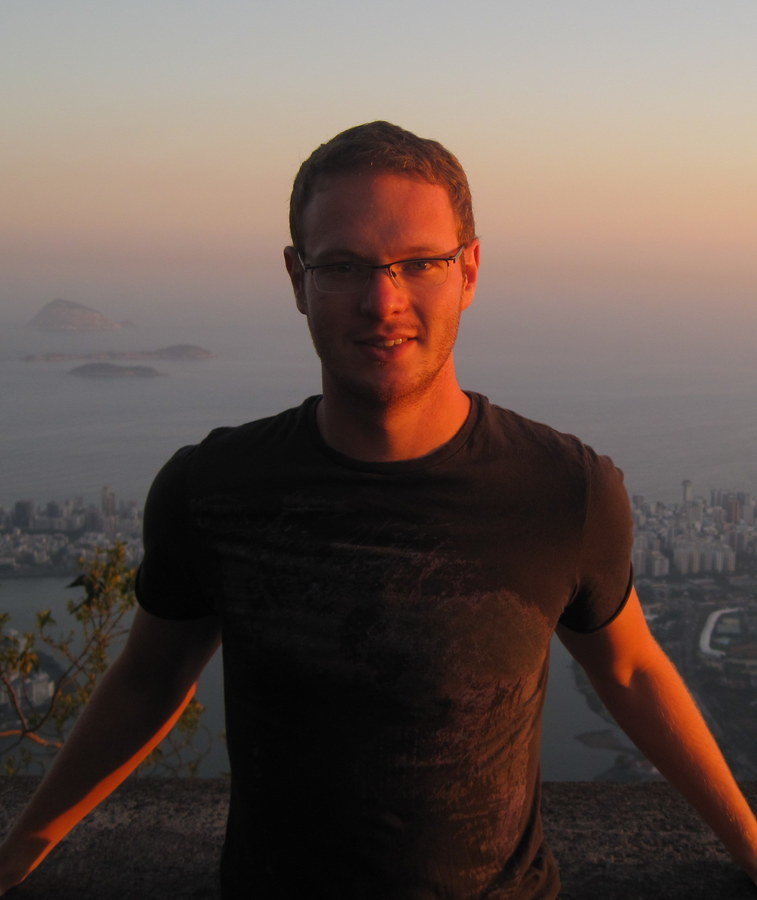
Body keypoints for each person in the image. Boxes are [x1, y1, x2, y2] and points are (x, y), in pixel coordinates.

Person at [1, 121, 755, 898]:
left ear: (468, 270)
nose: (381, 300)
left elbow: (629, 670)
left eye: (419, 263)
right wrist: (21, 848)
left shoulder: (564, 491)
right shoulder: (213, 489)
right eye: (342, 266)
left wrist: (748, 841)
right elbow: (147, 682)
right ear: (297, 279)